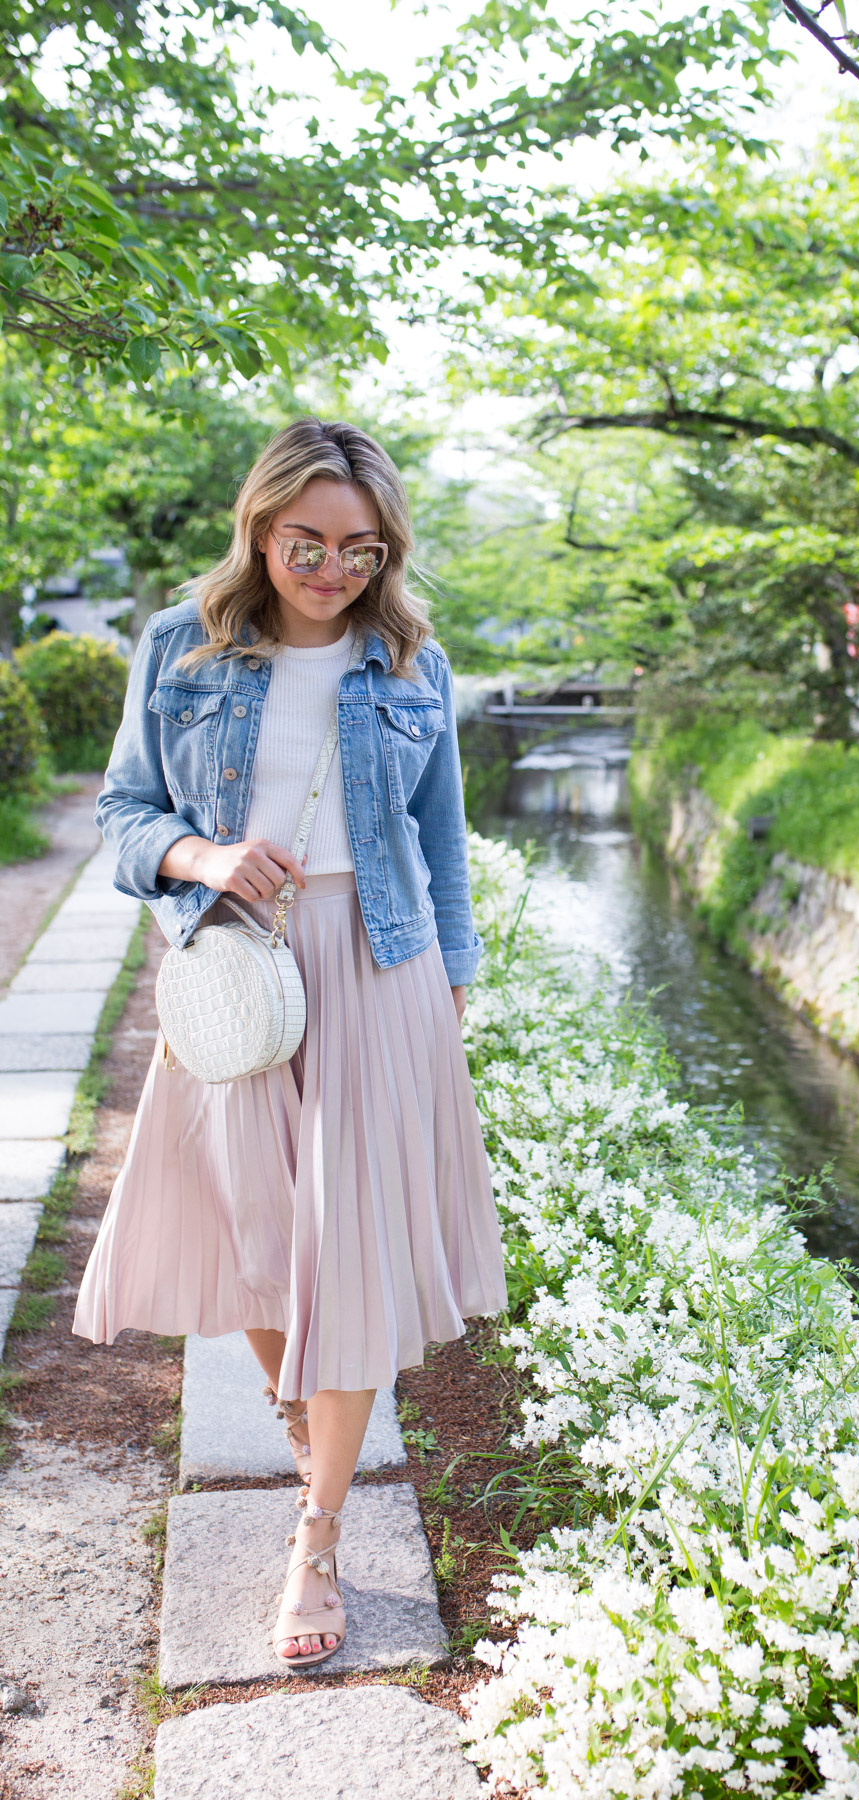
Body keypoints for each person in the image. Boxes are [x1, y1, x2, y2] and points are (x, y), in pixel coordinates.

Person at [73, 417, 506, 1668]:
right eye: (306, 544)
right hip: (234, 961)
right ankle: (291, 1406)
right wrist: (200, 855)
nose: (331, 572)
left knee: (351, 1252)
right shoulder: (181, 643)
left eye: (360, 551)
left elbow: (441, 850)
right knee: (256, 1230)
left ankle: (316, 1534)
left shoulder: (412, 661)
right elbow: (120, 811)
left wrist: (451, 991)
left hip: (380, 968)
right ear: (261, 527)